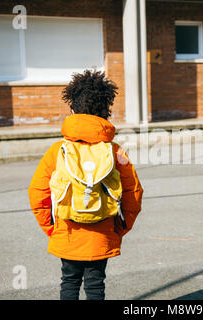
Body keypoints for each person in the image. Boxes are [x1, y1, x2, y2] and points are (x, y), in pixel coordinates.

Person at [27, 70, 143, 300]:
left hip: (67, 231)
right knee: (96, 285)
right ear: (105, 113)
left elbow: (37, 192)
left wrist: (51, 228)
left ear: (72, 111)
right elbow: (134, 192)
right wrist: (121, 226)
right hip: (102, 233)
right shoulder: (116, 152)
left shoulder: (57, 151)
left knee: (69, 282)